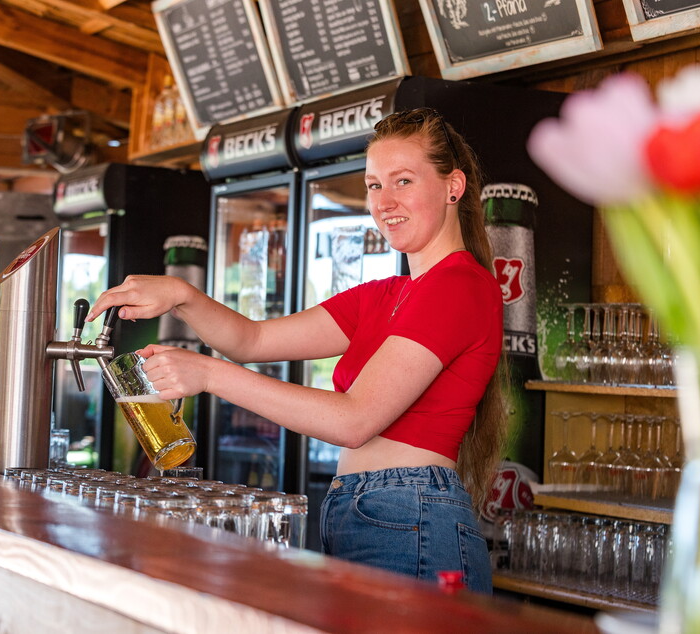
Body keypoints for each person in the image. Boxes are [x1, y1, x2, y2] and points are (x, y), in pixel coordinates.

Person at [87, 108, 508, 593]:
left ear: (453, 186)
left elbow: (353, 420)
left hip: (410, 514)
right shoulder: (387, 294)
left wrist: (208, 375)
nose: (384, 201)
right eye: (373, 185)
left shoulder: (458, 285)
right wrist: (182, 294)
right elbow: (253, 340)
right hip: (363, 510)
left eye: (403, 181)